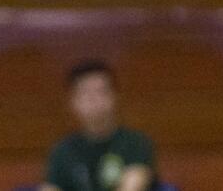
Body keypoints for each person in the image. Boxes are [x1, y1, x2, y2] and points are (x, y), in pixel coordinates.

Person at [42, 60, 157, 191]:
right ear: (73, 102)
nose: (94, 99)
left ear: (115, 96)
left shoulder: (135, 143)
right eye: (85, 93)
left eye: (101, 91)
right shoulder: (62, 150)